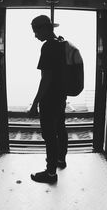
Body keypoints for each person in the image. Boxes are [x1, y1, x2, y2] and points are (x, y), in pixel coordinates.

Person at [29, 15, 68, 184]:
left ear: (44, 29)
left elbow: (46, 78)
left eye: (36, 31)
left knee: (50, 136)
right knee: (60, 128)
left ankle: (50, 174)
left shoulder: (48, 47)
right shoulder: (61, 43)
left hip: (49, 98)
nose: (35, 35)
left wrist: (35, 102)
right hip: (61, 96)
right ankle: (61, 160)